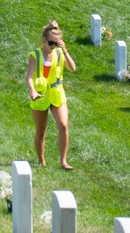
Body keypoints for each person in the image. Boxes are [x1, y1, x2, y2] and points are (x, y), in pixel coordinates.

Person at [26, 19, 76, 170]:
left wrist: (65, 50)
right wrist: (33, 91)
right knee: (41, 131)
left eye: (57, 43)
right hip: (40, 95)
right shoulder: (35, 55)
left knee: (63, 125)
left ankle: (63, 161)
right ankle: (42, 161)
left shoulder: (60, 53)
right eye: (51, 43)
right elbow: (29, 76)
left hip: (57, 93)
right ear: (44, 40)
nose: (53, 46)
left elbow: (73, 68)